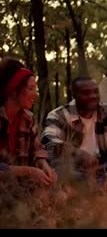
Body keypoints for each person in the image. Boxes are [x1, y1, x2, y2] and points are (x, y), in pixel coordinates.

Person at [41, 76, 107, 189]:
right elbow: (50, 143)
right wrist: (80, 155)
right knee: (60, 170)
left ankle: (101, 187)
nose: (93, 96)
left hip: (103, 166)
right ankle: (106, 188)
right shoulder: (59, 115)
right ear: (74, 95)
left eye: (96, 92)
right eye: (86, 93)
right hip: (76, 167)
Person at [0, 57, 57, 189]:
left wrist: (44, 166)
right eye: (31, 88)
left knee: (58, 194)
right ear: (14, 90)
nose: (36, 94)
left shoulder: (28, 119)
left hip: (20, 188)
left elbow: (37, 151)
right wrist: (29, 171)